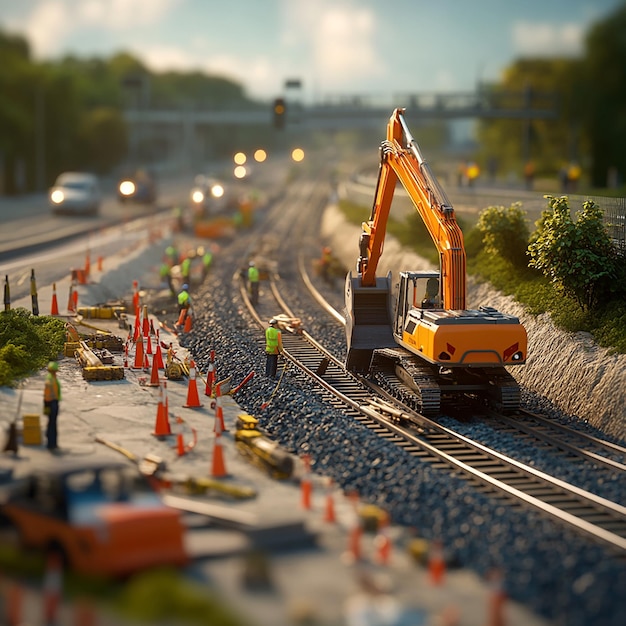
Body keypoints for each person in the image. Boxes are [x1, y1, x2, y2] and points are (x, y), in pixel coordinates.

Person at [43, 361, 61, 451]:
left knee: (52, 423)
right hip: (51, 403)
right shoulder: (50, 380)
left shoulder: (52, 378)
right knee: (52, 424)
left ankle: (52, 443)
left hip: (53, 402)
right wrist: (47, 406)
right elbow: (47, 394)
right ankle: (51, 444)